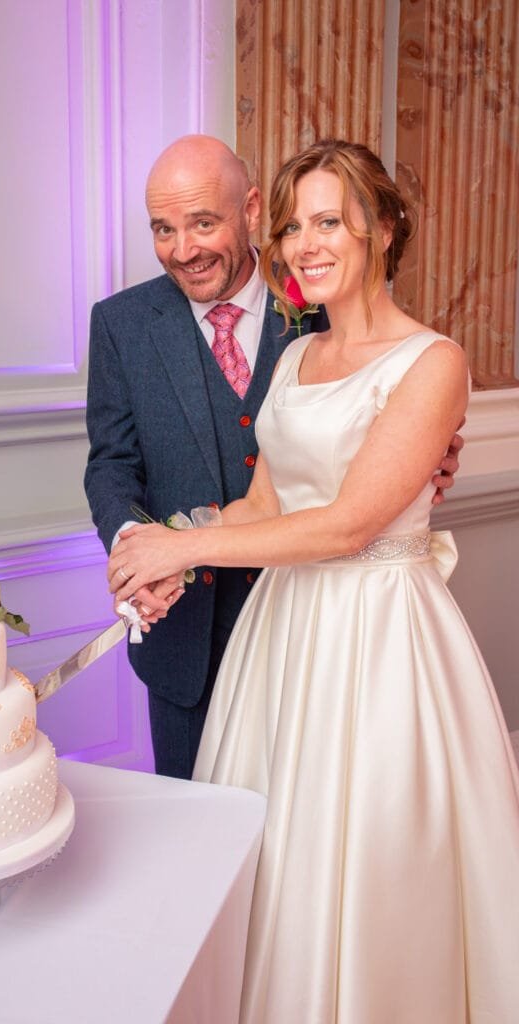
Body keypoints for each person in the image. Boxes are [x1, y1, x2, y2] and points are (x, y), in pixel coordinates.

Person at [107, 139, 519, 1022]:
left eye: (327, 220)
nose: (304, 244)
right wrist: (169, 545)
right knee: (272, 863)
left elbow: (350, 523)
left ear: (383, 227)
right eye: (295, 226)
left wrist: (179, 552)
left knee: (368, 859)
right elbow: (262, 502)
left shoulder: (434, 361)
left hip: (378, 645)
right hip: (283, 638)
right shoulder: (296, 355)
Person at [85, 134, 461, 781]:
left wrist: (420, 461)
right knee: (205, 832)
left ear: (249, 211)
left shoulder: (334, 322)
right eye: (163, 229)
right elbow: (117, 467)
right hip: (207, 644)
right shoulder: (132, 325)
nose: (185, 249)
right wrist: (149, 549)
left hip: (359, 641)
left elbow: (353, 513)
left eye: (203, 222)